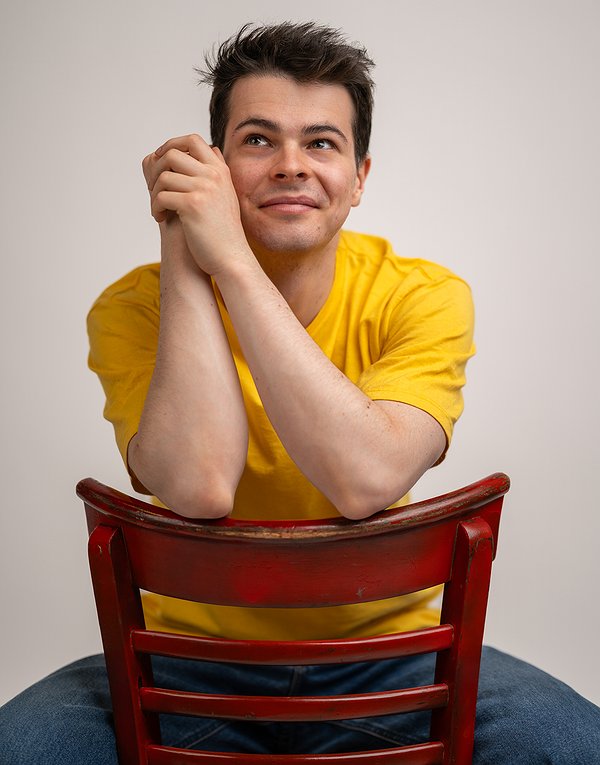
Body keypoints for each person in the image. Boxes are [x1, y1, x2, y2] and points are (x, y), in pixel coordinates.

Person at [1, 22, 598, 764]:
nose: (291, 165)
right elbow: (198, 485)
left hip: (398, 654)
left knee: (577, 744)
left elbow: (365, 479)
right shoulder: (132, 308)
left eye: (321, 142)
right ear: (215, 167)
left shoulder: (425, 296)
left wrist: (232, 262)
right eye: (257, 140)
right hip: (180, 656)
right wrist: (184, 243)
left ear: (359, 177)